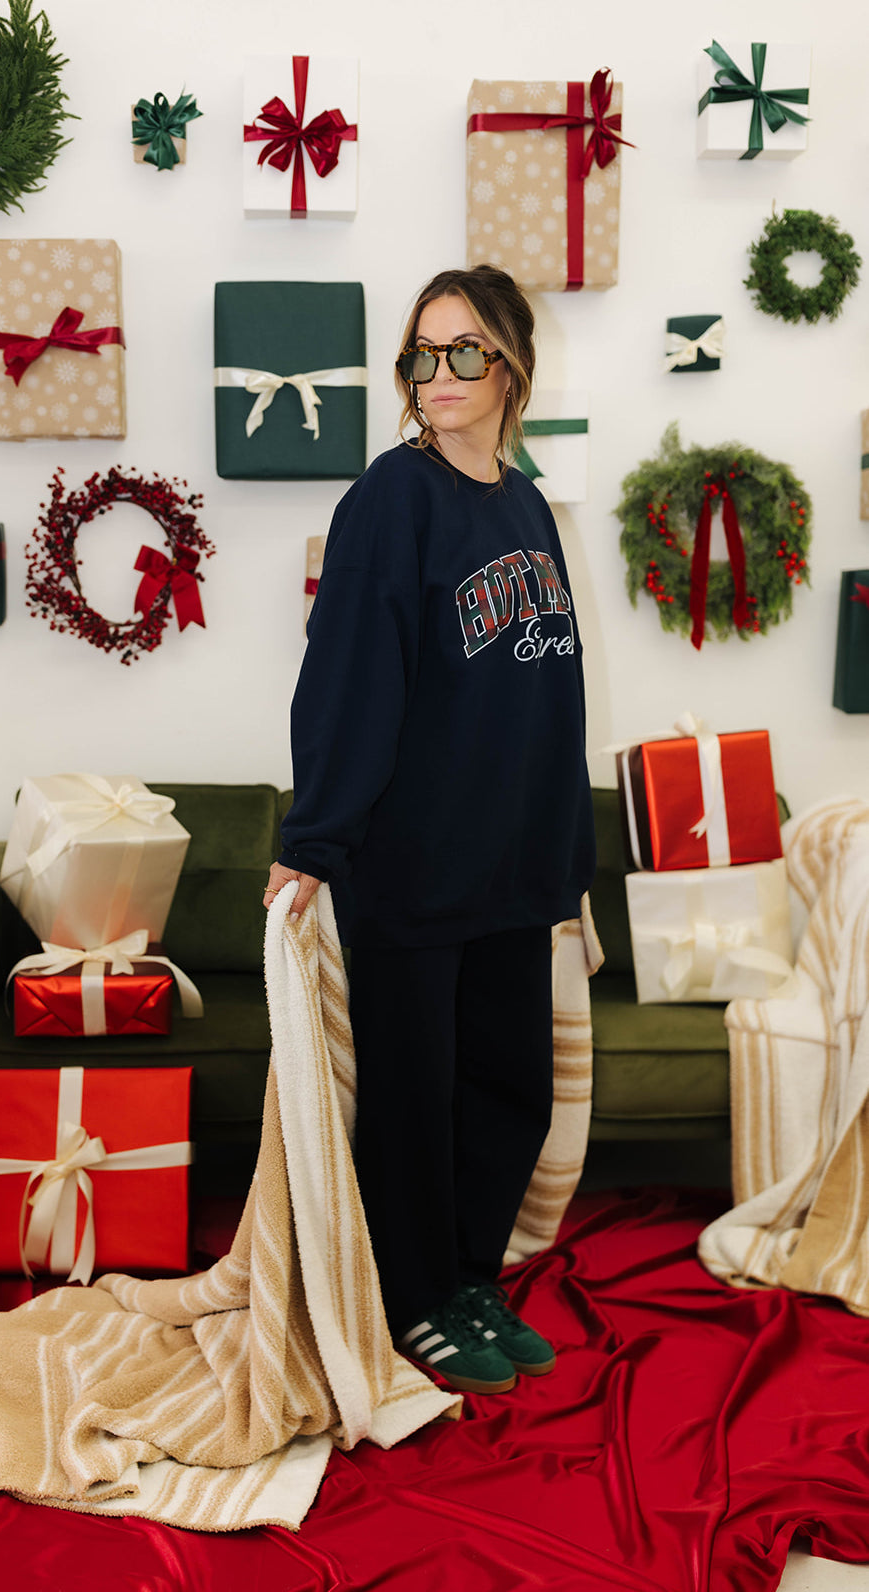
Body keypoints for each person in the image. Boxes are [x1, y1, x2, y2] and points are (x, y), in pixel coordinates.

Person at [264, 264, 596, 1396]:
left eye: (463, 351)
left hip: (511, 865)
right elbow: (347, 677)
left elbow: (554, 693)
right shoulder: (388, 500)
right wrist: (316, 837)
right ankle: (413, 1297)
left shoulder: (522, 501)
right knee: (414, 1098)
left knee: (509, 1087)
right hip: (413, 863)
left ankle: (467, 1277)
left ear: (509, 364)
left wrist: (567, 855)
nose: (437, 374)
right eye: (421, 353)